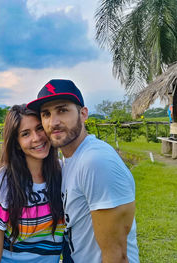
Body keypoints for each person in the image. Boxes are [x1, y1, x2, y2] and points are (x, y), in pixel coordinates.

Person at [27, 79, 139, 263]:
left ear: (83, 114)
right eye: (46, 114)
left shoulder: (96, 161)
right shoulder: (71, 159)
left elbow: (116, 256)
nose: (53, 122)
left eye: (62, 110)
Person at [0, 104, 65, 263]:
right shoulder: (2, 180)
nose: (36, 138)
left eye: (39, 128)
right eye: (25, 134)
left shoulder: (62, 171)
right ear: (17, 143)